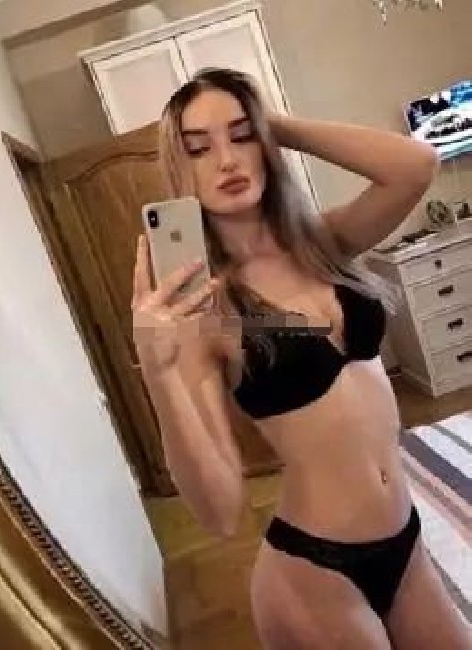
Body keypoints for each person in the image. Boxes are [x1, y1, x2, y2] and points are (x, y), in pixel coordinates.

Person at [131, 68, 471, 649]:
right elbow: (219, 513)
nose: (227, 159)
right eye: (199, 148)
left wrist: (274, 125)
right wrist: (159, 372)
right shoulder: (206, 309)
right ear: (179, 170)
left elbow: (416, 165)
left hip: (406, 541)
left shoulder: (322, 244)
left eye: (242, 135)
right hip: (316, 571)